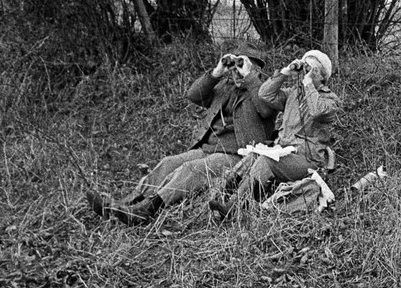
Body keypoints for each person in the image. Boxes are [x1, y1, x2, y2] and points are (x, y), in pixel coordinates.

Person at [86, 44, 277, 224]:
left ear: (256, 70)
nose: (236, 73)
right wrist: (217, 73)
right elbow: (194, 95)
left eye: (241, 68)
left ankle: (146, 209)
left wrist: (250, 78)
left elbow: (266, 109)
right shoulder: (225, 88)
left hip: (238, 157)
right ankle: (123, 204)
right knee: (169, 163)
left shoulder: (265, 91)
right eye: (234, 68)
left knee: (191, 170)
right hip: (208, 148)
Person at [208, 50, 340, 219]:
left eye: (311, 68)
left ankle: (234, 206)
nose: (305, 72)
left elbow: (316, 111)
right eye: (304, 66)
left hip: (307, 159)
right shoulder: (293, 94)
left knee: (267, 161)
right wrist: (286, 72)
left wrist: (308, 84)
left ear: (322, 75)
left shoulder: (330, 100)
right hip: (284, 151)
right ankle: (220, 196)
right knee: (253, 156)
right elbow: (265, 94)